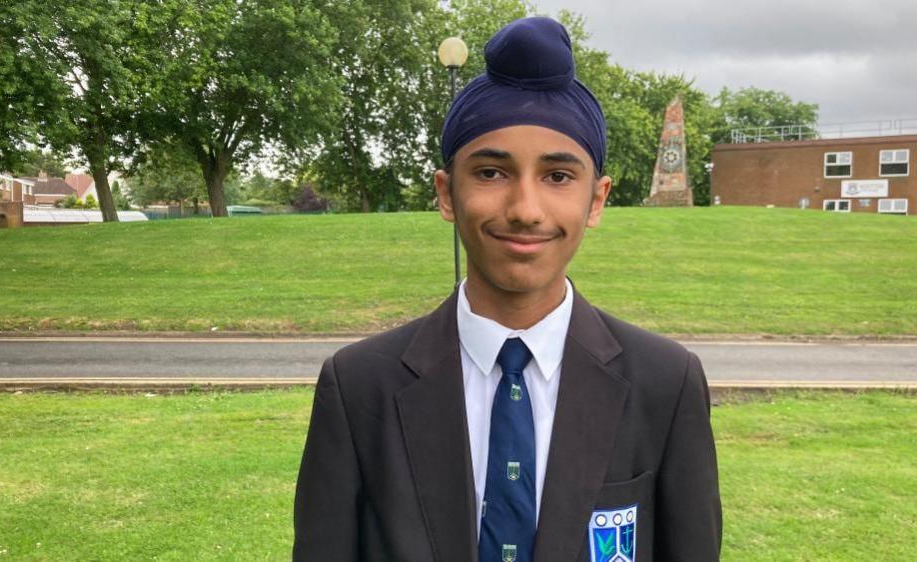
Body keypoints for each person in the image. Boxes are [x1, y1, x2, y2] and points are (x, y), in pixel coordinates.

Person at [293, 16, 721, 562]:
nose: (524, 210)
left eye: (558, 177)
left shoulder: (665, 382)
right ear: (447, 194)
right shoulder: (358, 388)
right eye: (491, 173)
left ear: (596, 200)